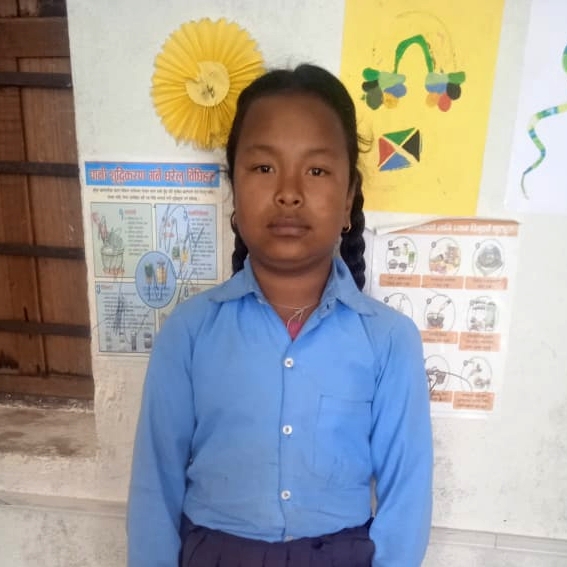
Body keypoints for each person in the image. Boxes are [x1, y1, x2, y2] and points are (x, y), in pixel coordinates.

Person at [127, 63, 433, 567]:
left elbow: (408, 497)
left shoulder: (388, 340)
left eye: (316, 171)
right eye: (264, 168)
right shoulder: (190, 331)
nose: (289, 192)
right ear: (233, 189)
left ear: (349, 198)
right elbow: (153, 489)